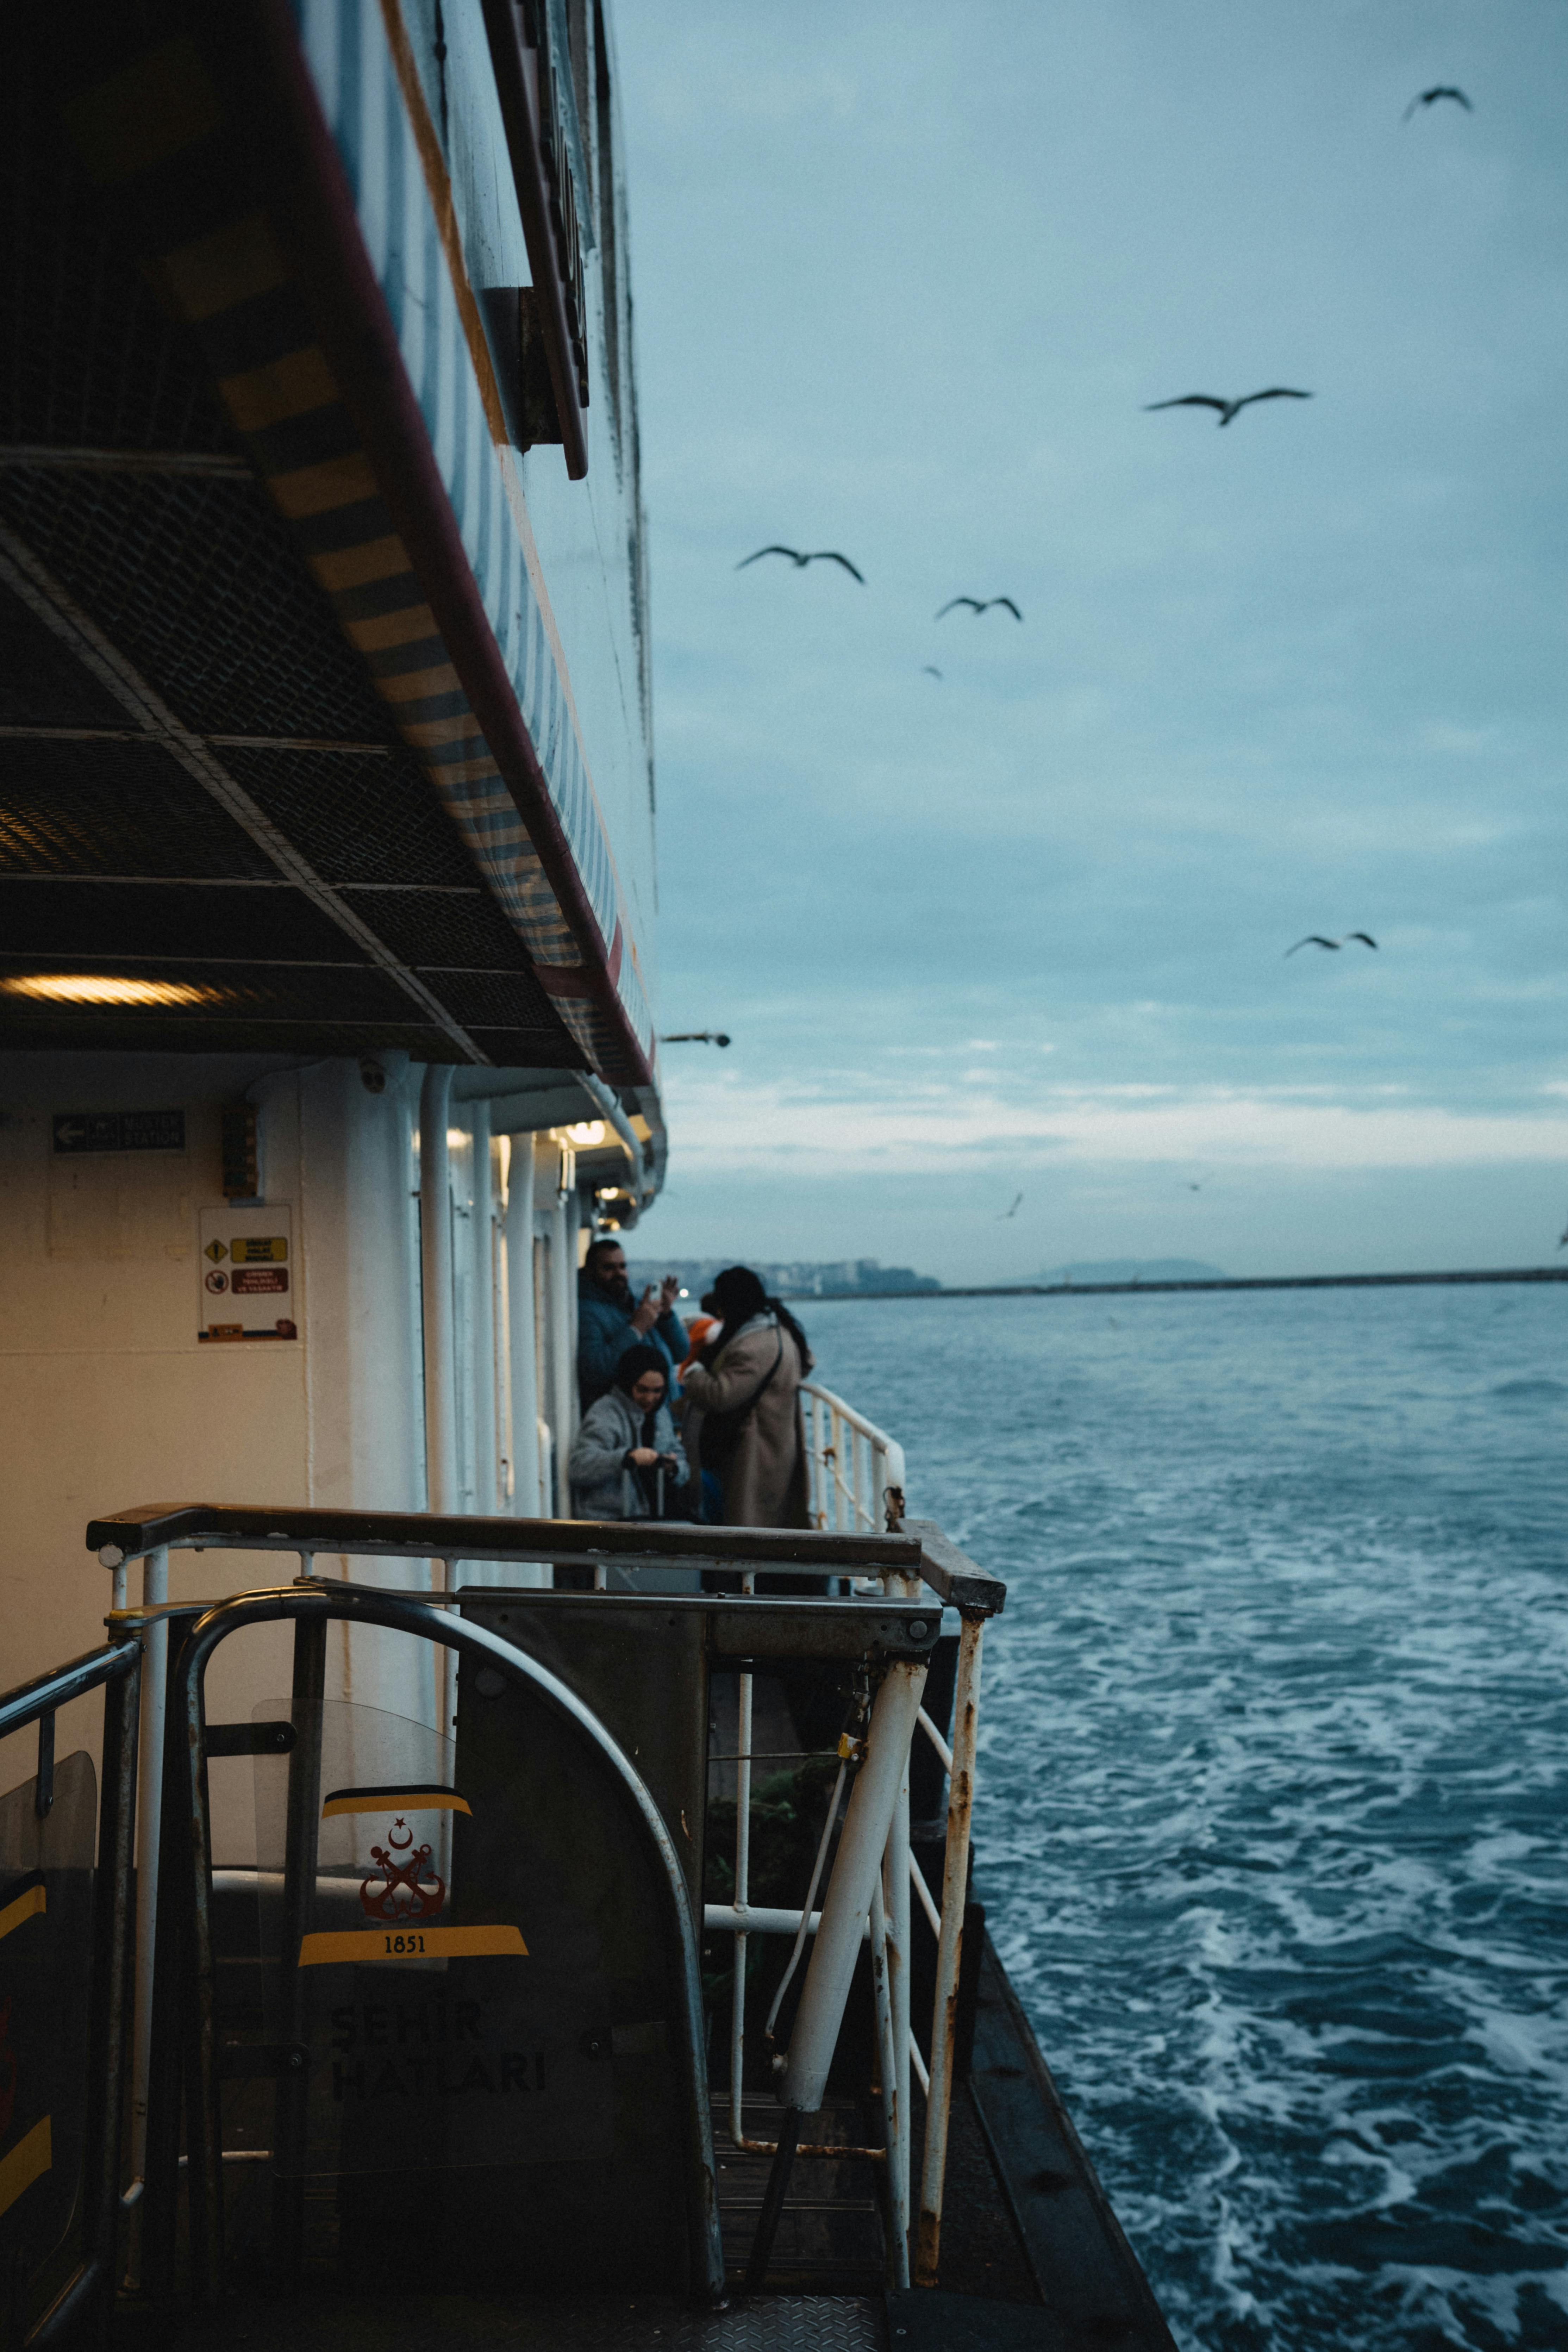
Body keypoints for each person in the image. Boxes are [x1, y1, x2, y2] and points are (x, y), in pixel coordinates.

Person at [680, 1266, 813, 1527]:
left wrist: (692, 1371)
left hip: (754, 1447)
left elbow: (720, 1395)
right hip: (774, 1440)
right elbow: (808, 1361)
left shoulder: (754, 1345)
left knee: (748, 1520)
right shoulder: (777, 1330)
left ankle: (741, 1569)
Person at [568, 1345, 685, 1520]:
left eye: (657, 1391)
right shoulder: (606, 1411)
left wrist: (673, 1468)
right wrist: (627, 1458)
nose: (650, 1398)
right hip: (612, 1520)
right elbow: (579, 1467)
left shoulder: (661, 1413)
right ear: (628, 1383)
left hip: (652, 1517)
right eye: (642, 1390)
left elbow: (681, 1458)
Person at [576, 1236, 687, 1409]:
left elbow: (681, 1353)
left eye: (622, 1267)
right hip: (623, 1416)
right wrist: (636, 1329)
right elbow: (595, 1371)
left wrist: (666, 1315)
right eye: (609, 1268)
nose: (619, 1273)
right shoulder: (586, 1312)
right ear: (590, 1272)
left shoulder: (636, 1305)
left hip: (661, 1415)